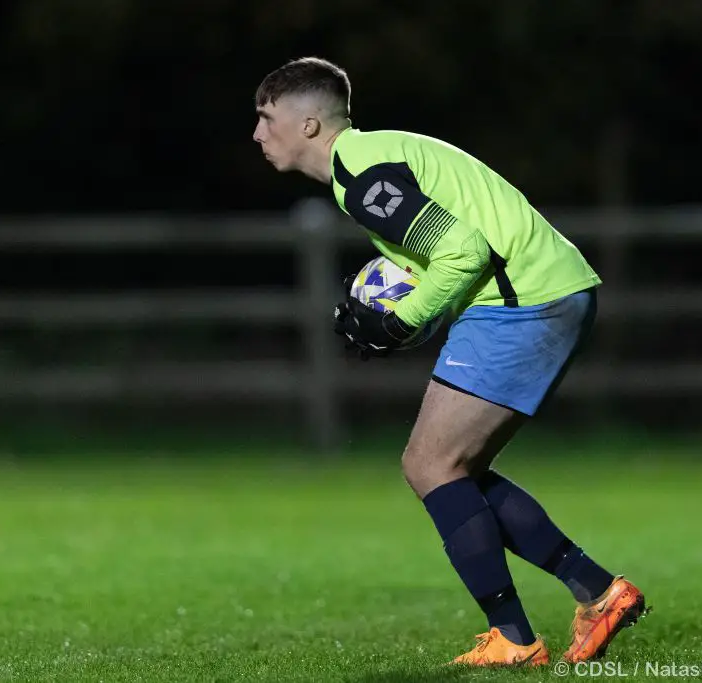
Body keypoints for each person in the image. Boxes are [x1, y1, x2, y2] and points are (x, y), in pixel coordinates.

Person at [253, 56, 648, 668]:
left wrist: (398, 322)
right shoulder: (375, 156)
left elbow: (462, 251)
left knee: (430, 464)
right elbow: (450, 250)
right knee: (456, 471)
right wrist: (407, 309)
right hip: (542, 290)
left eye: (266, 117)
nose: (257, 133)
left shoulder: (360, 174)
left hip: (523, 300)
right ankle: (598, 592)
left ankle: (514, 640)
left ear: (308, 125)